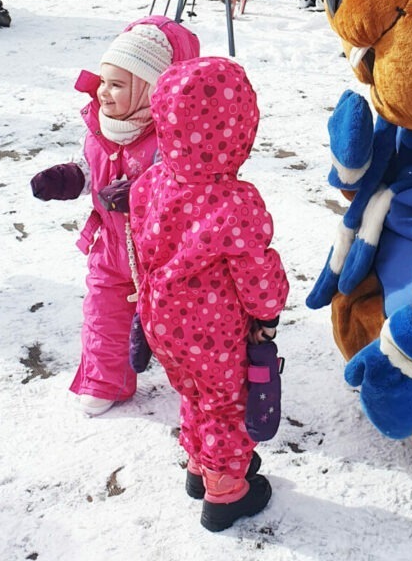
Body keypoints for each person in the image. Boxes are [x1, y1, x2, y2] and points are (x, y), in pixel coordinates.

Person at [128, 56, 289, 532]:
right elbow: (256, 272)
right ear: (239, 128)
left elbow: (141, 241)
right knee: (225, 403)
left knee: (195, 393)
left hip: (163, 320)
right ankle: (225, 490)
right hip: (212, 329)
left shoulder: (150, 184)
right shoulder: (234, 201)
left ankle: (201, 466)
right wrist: (270, 310)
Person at [29, 17, 200, 417]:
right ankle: (106, 381)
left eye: (118, 85)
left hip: (164, 258)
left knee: (182, 324)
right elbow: (92, 169)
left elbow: (185, 192)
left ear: (150, 90)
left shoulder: (170, 138)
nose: (103, 92)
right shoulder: (100, 128)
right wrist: (68, 179)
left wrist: (140, 195)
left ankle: (203, 381)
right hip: (109, 248)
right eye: (103, 81)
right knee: (102, 318)